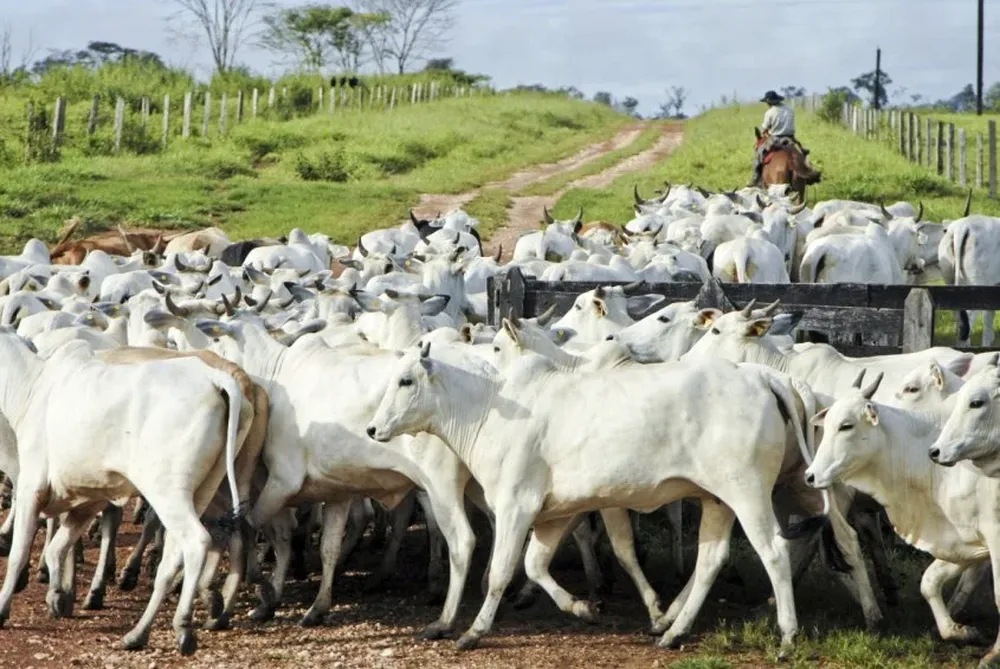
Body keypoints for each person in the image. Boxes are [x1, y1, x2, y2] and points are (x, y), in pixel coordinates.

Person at [749, 90, 807, 187]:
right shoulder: (790, 109)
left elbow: (764, 128)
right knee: (801, 152)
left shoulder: (770, 112)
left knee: (759, 153)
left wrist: (764, 130)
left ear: (768, 102)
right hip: (790, 138)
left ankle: (755, 178)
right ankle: (806, 171)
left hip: (775, 138)